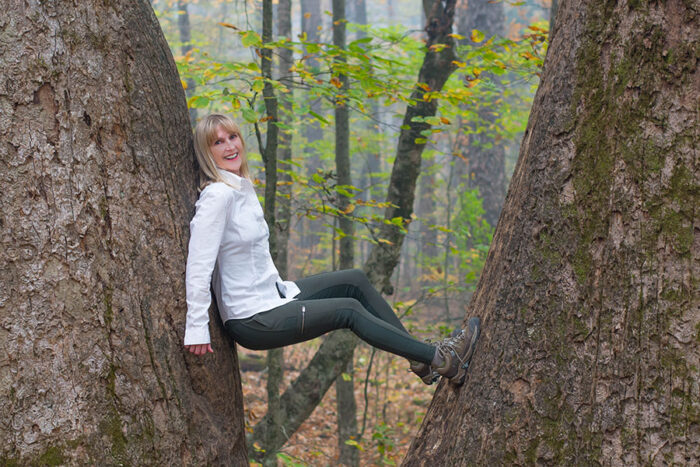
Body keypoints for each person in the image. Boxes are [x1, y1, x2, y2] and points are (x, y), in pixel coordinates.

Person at [183, 113, 481, 386]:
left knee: (353, 281)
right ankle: (443, 360)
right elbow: (199, 263)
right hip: (253, 318)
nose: (229, 146)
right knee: (347, 310)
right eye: (217, 143)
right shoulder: (218, 196)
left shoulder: (239, 188)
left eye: (232, 137)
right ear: (206, 153)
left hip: (273, 296)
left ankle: (420, 360)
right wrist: (196, 327)